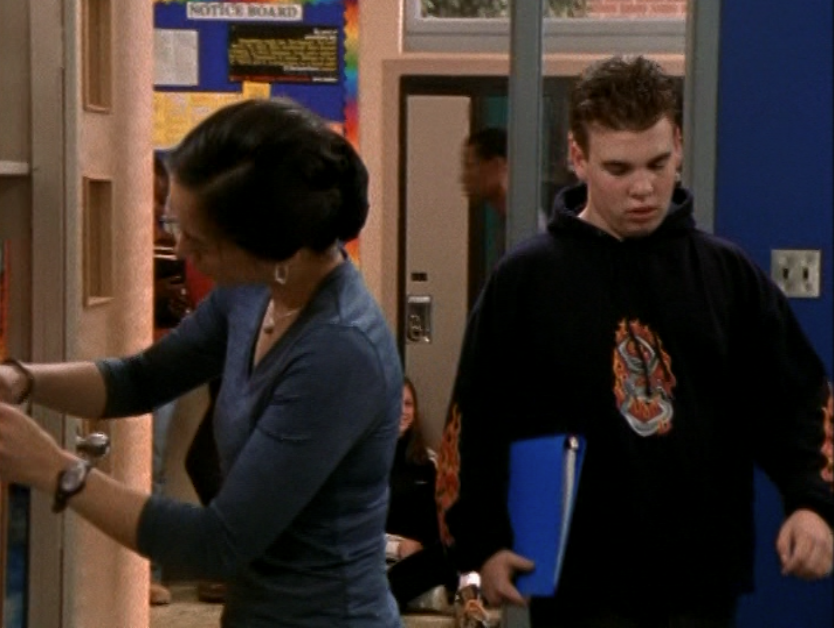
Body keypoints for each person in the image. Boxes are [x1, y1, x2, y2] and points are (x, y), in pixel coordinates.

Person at [436, 55, 834, 628]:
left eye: (658, 163)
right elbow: (478, 419)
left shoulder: (727, 276)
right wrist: (482, 545)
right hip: (577, 585)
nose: (643, 188)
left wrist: (811, 503)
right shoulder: (526, 281)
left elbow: (796, 397)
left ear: (679, 145)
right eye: (618, 169)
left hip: (700, 582)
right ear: (577, 157)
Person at [0, 97, 404, 628]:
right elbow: (140, 380)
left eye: (199, 240)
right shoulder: (253, 292)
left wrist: (54, 469)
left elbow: (218, 544)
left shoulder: (339, 351)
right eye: (176, 224)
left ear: (277, 249)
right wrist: (21, 379)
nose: (180, 251)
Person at [386, 377, 458, 610]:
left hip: (427, 559)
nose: (402, 411)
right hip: (385, 560)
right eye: (395, 403)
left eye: (408, 404)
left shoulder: (428, 462)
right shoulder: (366, 463)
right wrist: (397, 547)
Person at [460, 128, 509, 275]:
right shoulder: (504, 225)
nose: (464, 178)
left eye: (470, 166)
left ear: (496, 166)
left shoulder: (526, 229)